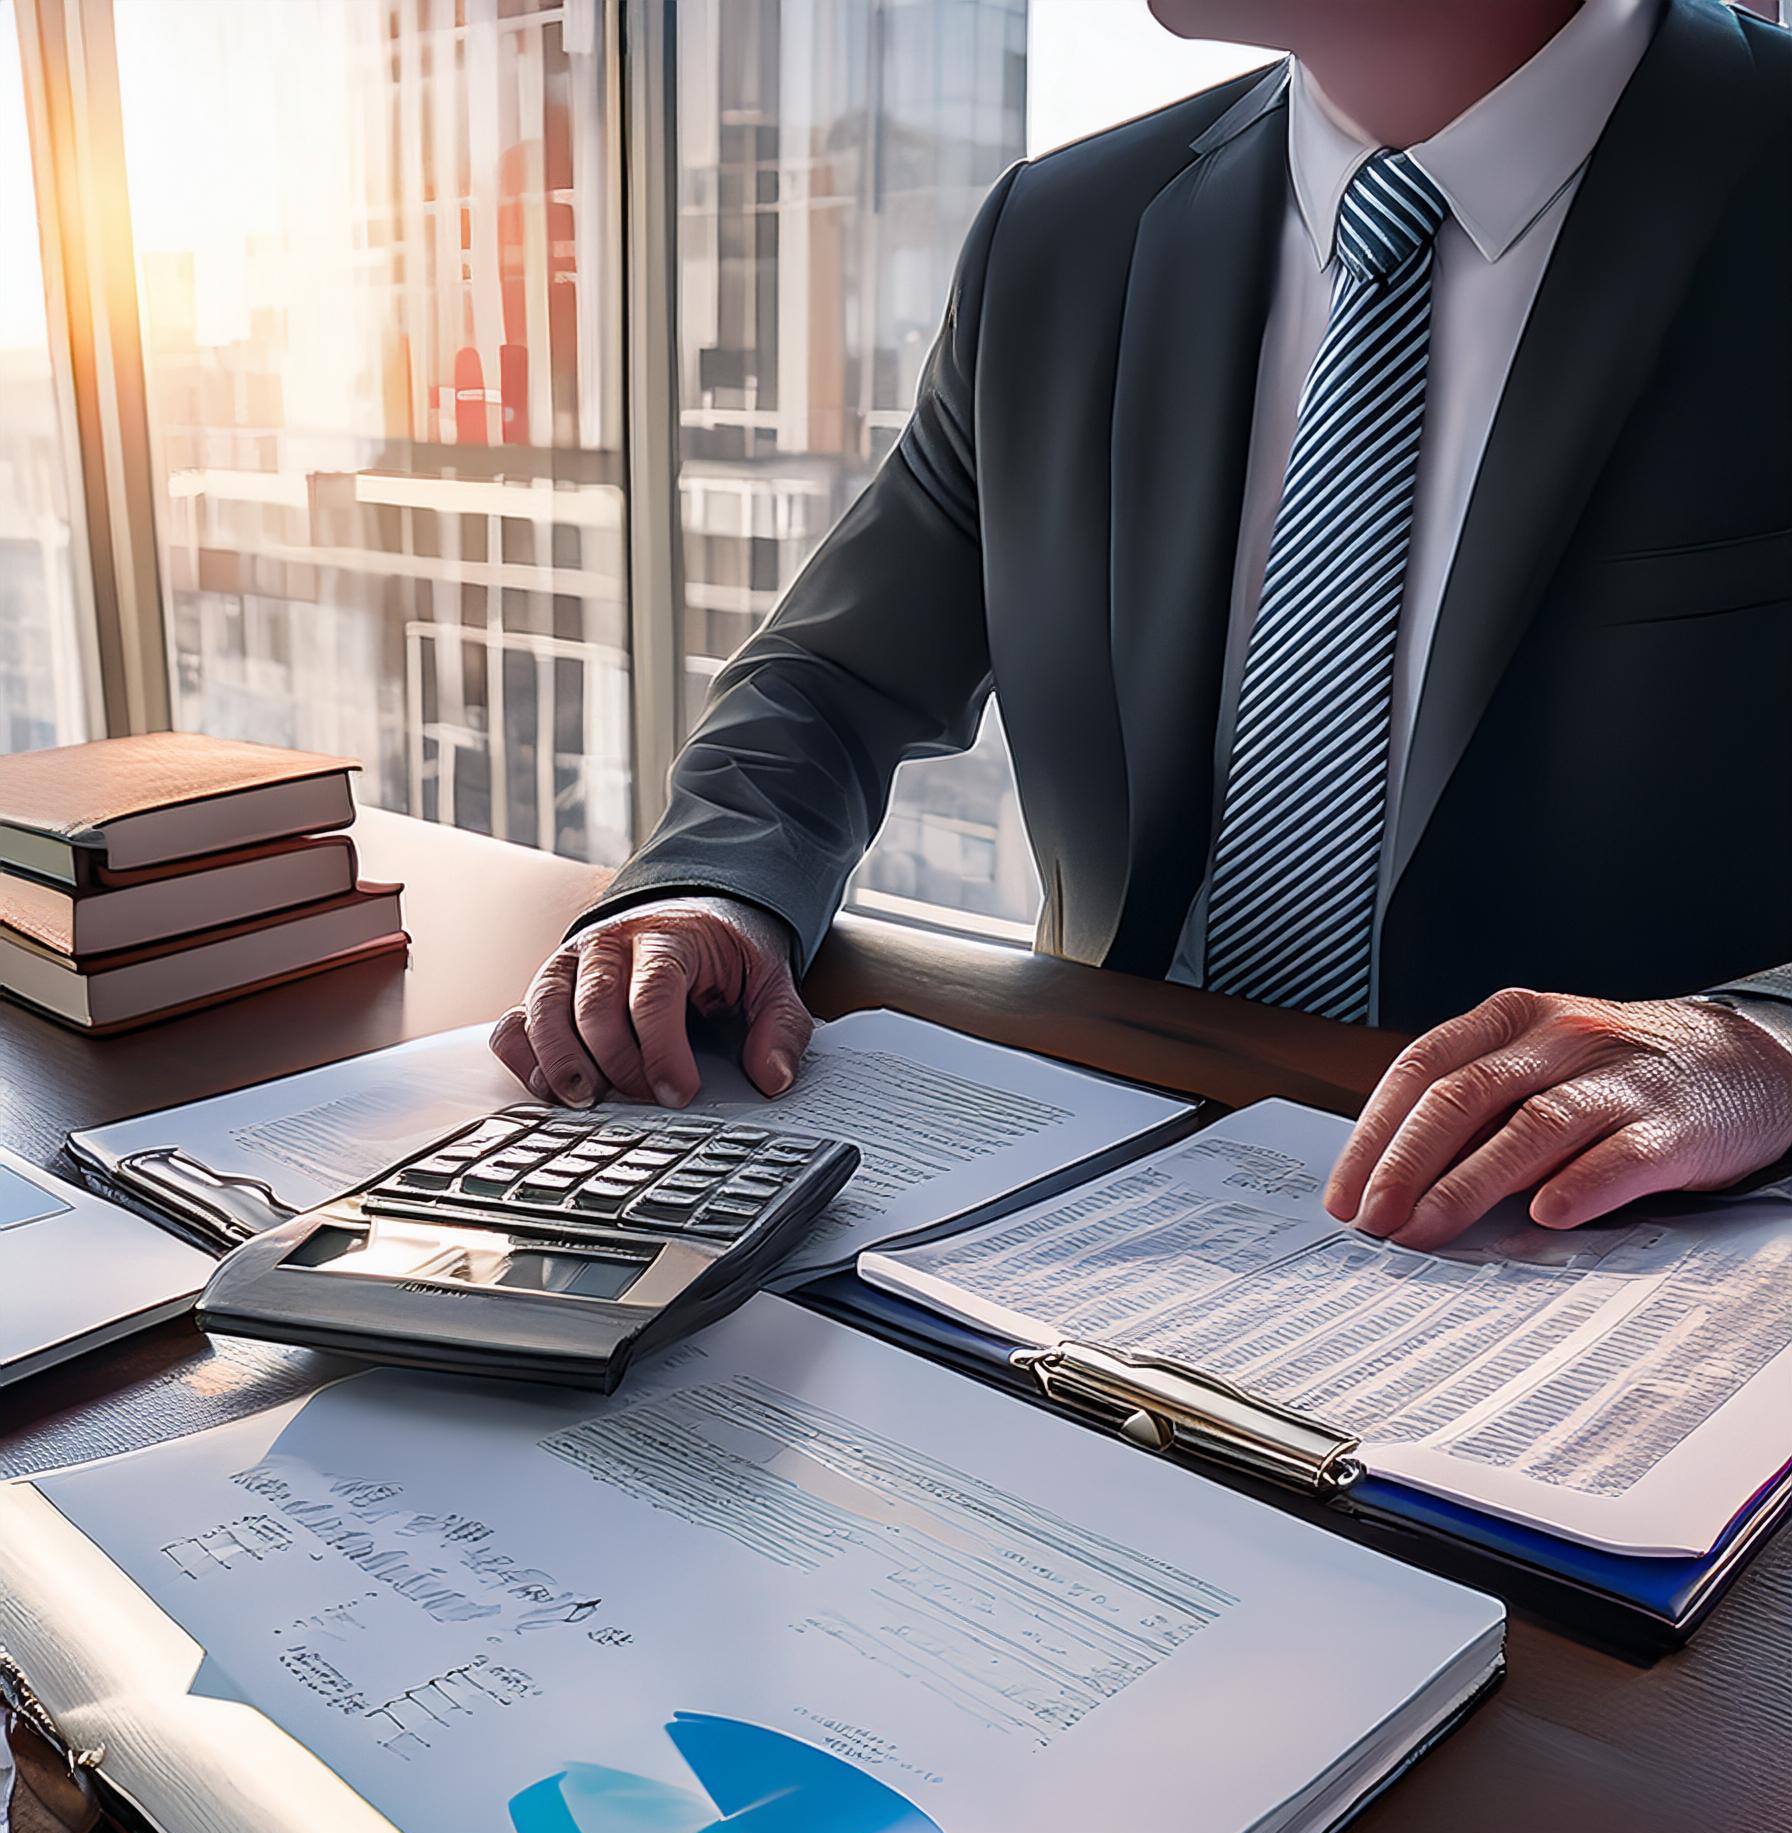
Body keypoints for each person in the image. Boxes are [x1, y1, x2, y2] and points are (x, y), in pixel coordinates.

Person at [495, 0, 1792, 1251]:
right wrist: (717, 888)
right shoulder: (1060, 230)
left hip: (1594, 1247)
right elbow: (837, 671)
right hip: (1091, 1182)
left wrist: (1772, 1046)